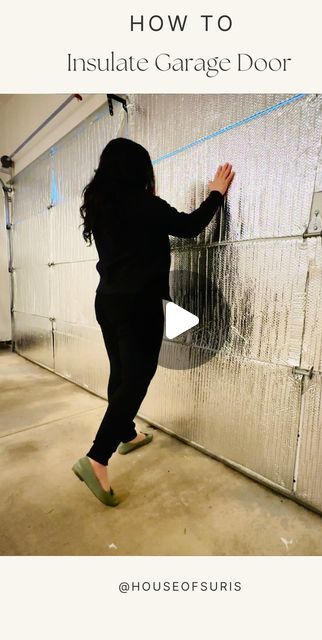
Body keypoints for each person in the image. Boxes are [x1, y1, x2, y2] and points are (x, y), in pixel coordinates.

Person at [72, 137, 235, 506]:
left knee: (121, 372)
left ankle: (127, 434)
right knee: (137, 379)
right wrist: (216, 193)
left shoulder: (101, 207)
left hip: (108, 302)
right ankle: (97, 458)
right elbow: (191, 226)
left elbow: (140, 244)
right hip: (139, 306)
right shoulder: (144, 205)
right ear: (138, 171)